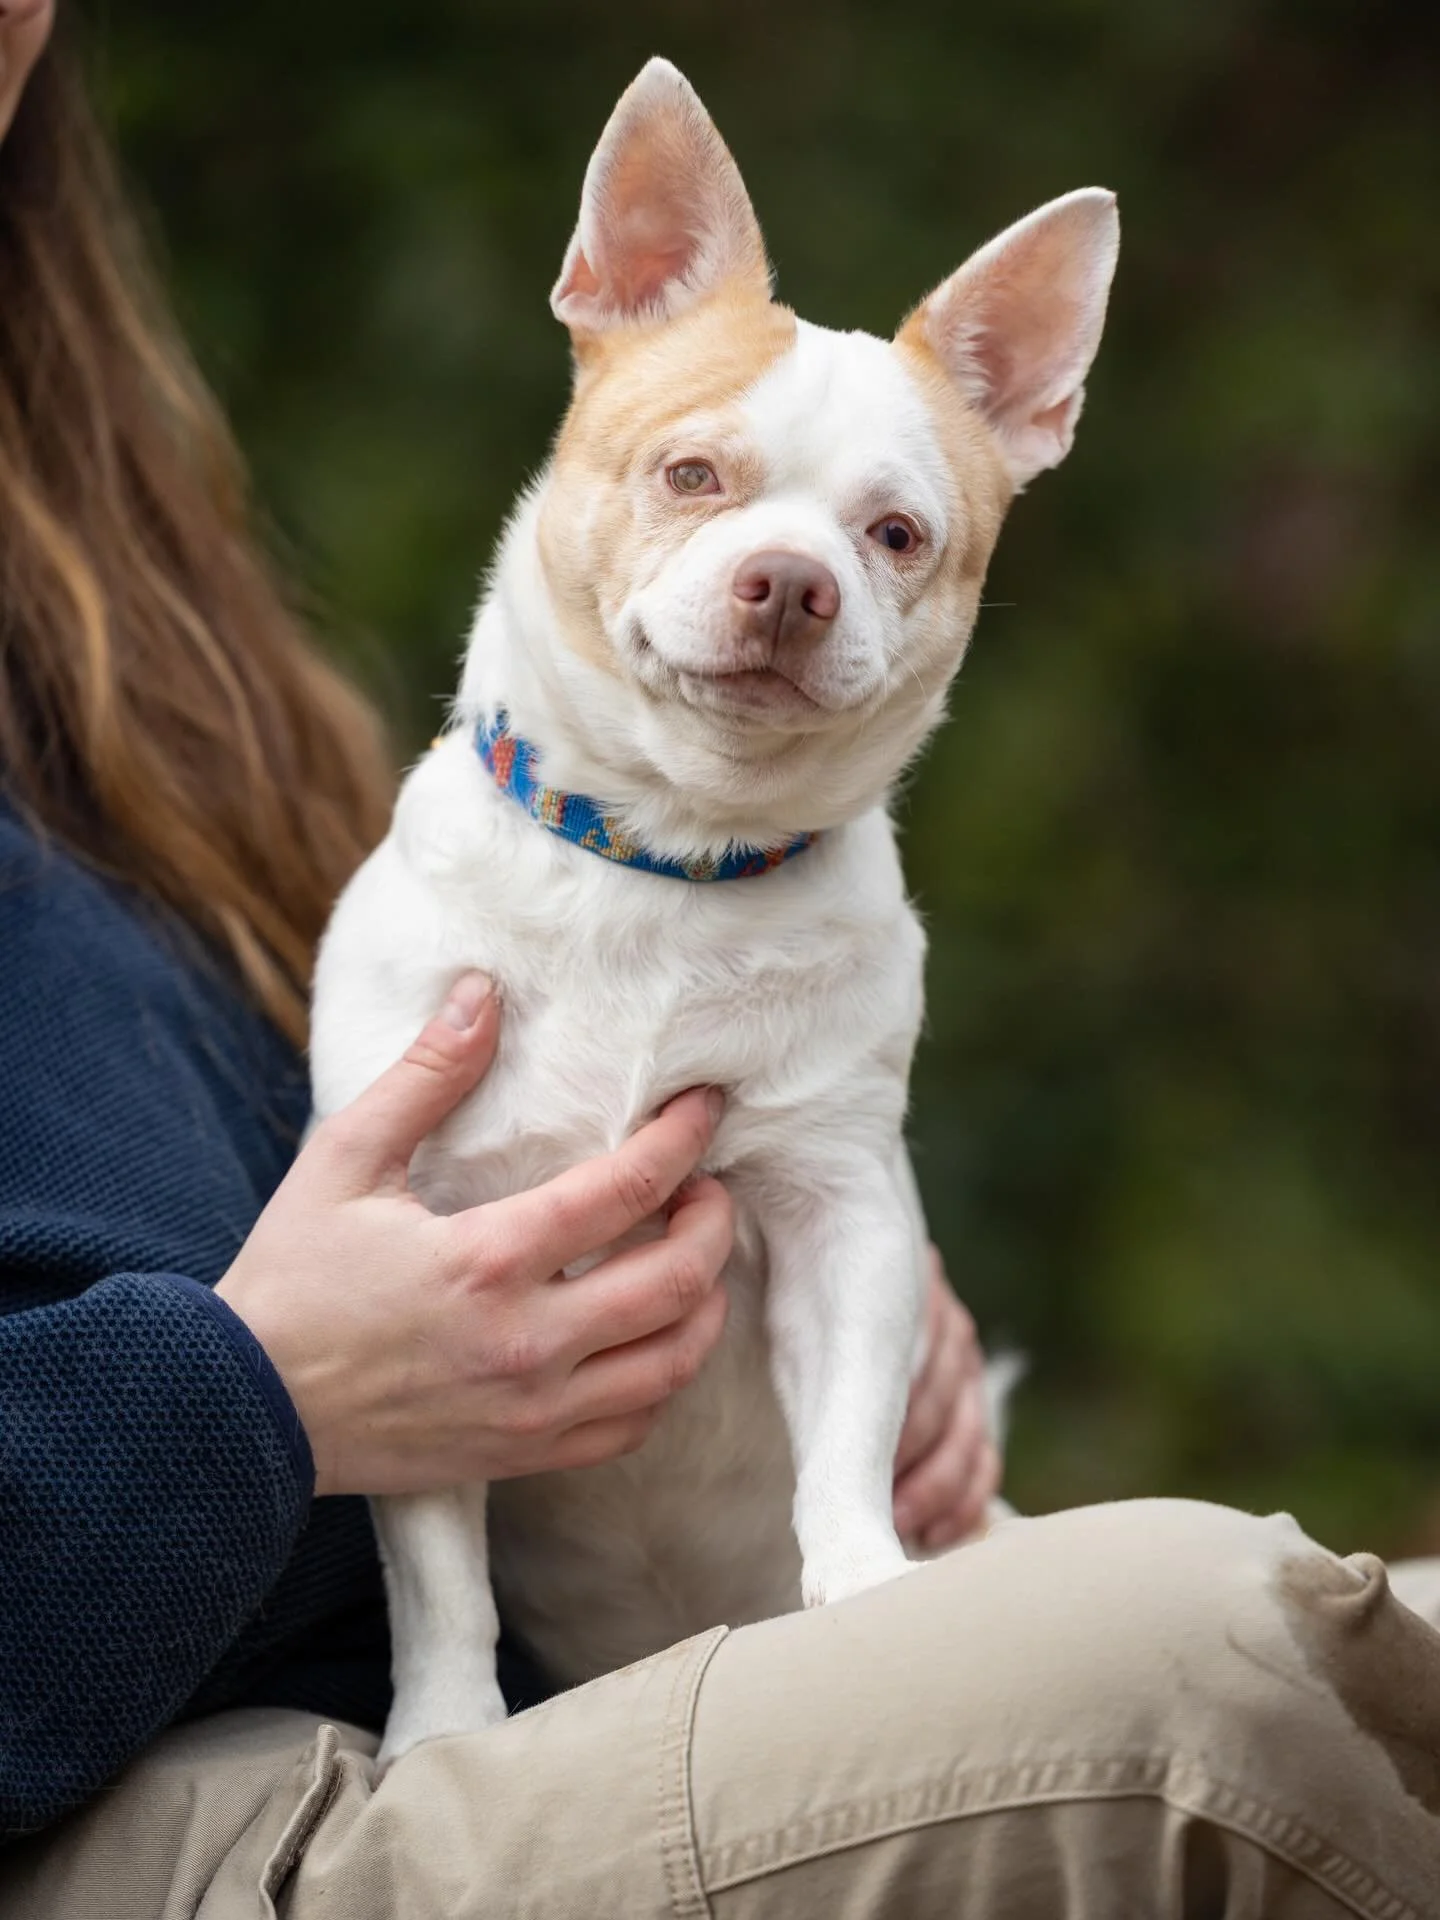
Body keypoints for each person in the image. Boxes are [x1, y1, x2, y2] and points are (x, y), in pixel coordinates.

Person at [1, 8, 1438, 1916]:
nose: (787, 572)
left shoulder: (152, 654)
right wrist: (257, 1389)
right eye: (699, 482)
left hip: (668, 1643)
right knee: (1225, 1664)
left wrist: (863, 1318)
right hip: (269, 1777)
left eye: (888, 535)